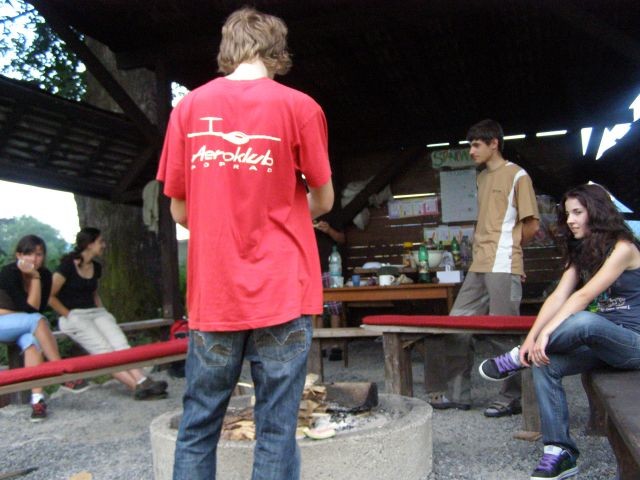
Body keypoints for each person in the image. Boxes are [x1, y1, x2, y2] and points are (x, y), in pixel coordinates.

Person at [156, 7, 333, 480]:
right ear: (277, 51)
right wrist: (282, 211)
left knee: (198, 425)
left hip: (215, 294)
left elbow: (178, 210)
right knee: (276, 429)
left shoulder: (188, 108)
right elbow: (324, 199)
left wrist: (220, 215)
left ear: (228, 48)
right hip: (283, 290)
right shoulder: (301, 107)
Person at [479, 183, 640, 480]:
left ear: (597, 212)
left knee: (585, 320)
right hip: (603, 346)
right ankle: (559, 452)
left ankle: (516, 358)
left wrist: (547, 334)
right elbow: (558, 297)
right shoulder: (583, 251)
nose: (570, 220)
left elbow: (583, 296)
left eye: (577, 212)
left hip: (632, 344)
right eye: (567, 214)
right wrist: (531, 340)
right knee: (544, 363)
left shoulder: (623, 248)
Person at [425, 119, 540, 416]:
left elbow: (532, 224)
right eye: (470, 145)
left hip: (504, 263)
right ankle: (457, 394)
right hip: (479, 264)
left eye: (476, 145)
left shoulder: (518, 175)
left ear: (494, 144)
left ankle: (513, 397)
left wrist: (513, 256)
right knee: (456, 326)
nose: (471, 151)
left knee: (504, 334)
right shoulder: (482, 178)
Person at [48, 227, 168, 400]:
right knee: (104, 351)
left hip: (96, 312)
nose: (104, 245)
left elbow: (93, 293)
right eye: (100, 242)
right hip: (74, 315)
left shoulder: (96, 267)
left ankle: (143, 382)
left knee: (121, 344)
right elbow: (50, 296)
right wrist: (68, 315)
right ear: (89, 244)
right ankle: (137, 386)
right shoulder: (67, 266)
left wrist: (102, 310)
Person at [0, 235, 68, 421]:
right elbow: (29, 311)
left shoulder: (44, 275)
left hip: (22, 324)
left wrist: (36, 277)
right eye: (28, 254)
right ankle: (61, 370)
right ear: (19, 255)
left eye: (38, 254)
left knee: (32, 341)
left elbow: (37, 308)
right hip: (3, 324)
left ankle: (37, 401)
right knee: (36, 320)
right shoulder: (9, 272)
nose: (34, 259)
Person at [313, 209, 346, 361]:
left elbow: (342, 239)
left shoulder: (331, 213)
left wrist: (328, 230)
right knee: (316, 309)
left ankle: (336, 346)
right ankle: (318, 346)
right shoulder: (303, 213)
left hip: (331, 267)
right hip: (311, 267)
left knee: (334, 307)